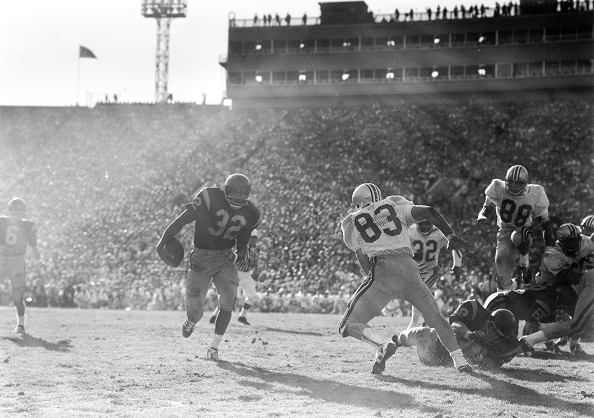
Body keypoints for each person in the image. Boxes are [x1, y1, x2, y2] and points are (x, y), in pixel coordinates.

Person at [339, 183, 474, 374]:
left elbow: (362, 259)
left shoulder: (352, 221)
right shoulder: (395, 204)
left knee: (349, 323)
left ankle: (381, 345)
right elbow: (429, 211)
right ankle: (461, 363)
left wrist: (376, 282)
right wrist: (450, 236)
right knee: (436, 318)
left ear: (360, 202)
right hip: (411, 269)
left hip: (384, 269)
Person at [156, 173, 260, 361]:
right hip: (201, 257)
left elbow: (242, 248)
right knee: (196, 311)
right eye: (234, 192)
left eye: (242, 193)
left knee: (228, 300)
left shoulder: (251, 213)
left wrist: (235, 255)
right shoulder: (209, 197)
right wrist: (161, 243)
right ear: (226, 191)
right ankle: (191, 320)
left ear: (248, 194)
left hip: (224, 258)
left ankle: (214, 347)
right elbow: (181, 220)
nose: (238, 196)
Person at [520, 223, 594, 356]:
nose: (574, 244)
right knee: (536, 316)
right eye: (569, 241)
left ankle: (566, 342)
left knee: (578, 318)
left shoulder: (583, 242)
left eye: (575, 241)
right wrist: (589, 278)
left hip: (565, 287)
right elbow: (570, 277)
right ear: (561, 241)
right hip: (545, 287)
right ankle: (524, 342)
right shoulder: (552, 255)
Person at [476, 165, 553, 290]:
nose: (512, 186)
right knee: (500, 262)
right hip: (504, 230)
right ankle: (507, 289)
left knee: (518, 236)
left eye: (517, 183)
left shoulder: (535, 193)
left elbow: (545, 222)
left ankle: (525, 265)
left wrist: (548, 246)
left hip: (524, 231)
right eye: (510, 182)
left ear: (525, 183)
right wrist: (482, 216)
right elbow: (486, 207)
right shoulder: (497, 187)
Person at [399, 301, 521, 369]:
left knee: (428, 337)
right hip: (435, 342)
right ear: (489, 321)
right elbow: (454, 325)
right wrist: (469, 335)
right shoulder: (474, 310)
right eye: (494, 331)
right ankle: (399, 339)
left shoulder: (508, 344)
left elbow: (494, 366)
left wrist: (482, 356)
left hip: (439, 360)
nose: (494, 336)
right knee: (427, 333)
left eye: (498, 335)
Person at [0, 197, 46, 333]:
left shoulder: (28, 225)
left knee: (17, 296)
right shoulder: (2, 221)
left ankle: (21, 325)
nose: (16, 216)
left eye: (19, 213)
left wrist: (39, 260)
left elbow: (33, 246)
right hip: (1, 259)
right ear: (9, 211)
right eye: (14, 212)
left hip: (17, 262)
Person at [407, 219, 462, 328]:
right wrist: (410, 254)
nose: (423, 228)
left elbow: (456, 247)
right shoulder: (410, 230)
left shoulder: (439, 233)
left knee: (418, 291)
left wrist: (457, 265)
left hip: (430, 269)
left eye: (426, 225)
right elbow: (401, 245)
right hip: (415, 269)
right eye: (421, 225)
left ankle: (415, 323)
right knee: (420, 295)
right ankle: (430, 320)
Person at [210, 229, 260, 325]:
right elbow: (233, 258)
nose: (253, 240)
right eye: (251, 237)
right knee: (229, 296)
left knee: (252, 296)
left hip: (247, 273)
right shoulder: (242, 247)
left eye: (255, 238)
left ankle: (242, 316)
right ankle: (215, 315)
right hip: (237, 272)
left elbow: (255, 261)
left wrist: (255, 269)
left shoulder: (257, 249)